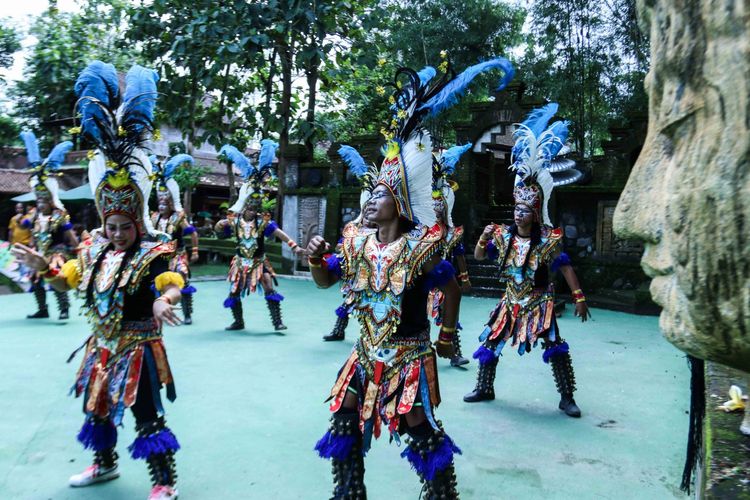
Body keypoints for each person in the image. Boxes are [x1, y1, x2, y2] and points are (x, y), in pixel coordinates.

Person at [309, 56, 514, 498]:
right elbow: (326, 281)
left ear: (399, 204)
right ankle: (349, 492)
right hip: (364, 354)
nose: (369, 202)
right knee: (344, 415)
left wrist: (445, 335)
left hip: (406, 356)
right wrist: (314, 262)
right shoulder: (354, 243)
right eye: (370, 195)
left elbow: (452, 287)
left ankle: (441, 491)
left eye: (379, 196)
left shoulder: (422, 252)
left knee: (414, 423)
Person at [14, 61, 183, 500]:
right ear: (104, 223)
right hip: (101, 347)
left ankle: (164, 483)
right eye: (111, 225)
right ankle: (104, 466)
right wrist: (43, 269)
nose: (117, 232)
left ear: (135, 223)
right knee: (98, 409)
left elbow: (172, 277)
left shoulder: (153, 250)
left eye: (125, 226)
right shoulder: (90, 250)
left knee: (147, 413)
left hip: (139, 347)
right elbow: (66, 281)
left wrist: (165, 299)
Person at [463, 103, 591, 419]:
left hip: (538, 303)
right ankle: (484, 387)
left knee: (555, 346)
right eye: (517, 210)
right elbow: (479, 257)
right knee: (491, 343)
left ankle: (567, 397)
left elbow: (565, 266)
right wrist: (480, 240)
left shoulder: (548, 239)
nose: (519, 214)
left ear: (535, 213)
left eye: (525, 211)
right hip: (509, 302)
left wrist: (579, 297)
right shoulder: (502, 236)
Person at [215, 140, 303, 331]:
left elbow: (279, 233)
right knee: (234, 291)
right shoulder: (234, 221)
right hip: (240, 263)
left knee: (269, 286)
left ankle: (277, 322)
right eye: (251, 201)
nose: (255, 205)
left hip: (258, 262)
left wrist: (294, 245)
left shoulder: (264, 222)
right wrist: (218, 226)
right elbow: (220, 235)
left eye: (257, 201)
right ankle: (238, 321)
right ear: (245, 202)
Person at [19, 130, 78, 320]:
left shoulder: (59, 216)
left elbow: (70, 236)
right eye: (38, 200)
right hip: (39, 252)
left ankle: (64, 309)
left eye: (44, 200)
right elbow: (24, 226)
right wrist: (23, 218)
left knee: (55, 278)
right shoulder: (34, 216)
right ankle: (42, 308)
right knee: (36, 281)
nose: (40, 203)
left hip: (56, 253)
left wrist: (79, 250)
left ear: (51, 200)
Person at [322, 144, 378, 342]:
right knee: (348, 301)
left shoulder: (385, 230)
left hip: (378, 277)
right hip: (356, 273)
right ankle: (338, 331)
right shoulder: (353, 228)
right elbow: (340, 247)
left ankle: (374, 337)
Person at [429, 143, 474, 367]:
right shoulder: (420, 232)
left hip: (444, 281)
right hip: (421, 280)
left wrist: (464, 277)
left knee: (450, 314)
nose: (436, 212)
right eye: (433, 208)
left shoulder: (450, 232)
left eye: (440, 209)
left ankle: (454, 353)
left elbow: (458, 254)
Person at [150, 154, 199, 324]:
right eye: (160, 202)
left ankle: (187, 314)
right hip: (158, 255)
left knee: (182, 278)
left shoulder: (179, 218)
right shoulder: (154, 218)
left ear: (171, 203)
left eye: (165, 203)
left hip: (177, 255)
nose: (162, 205)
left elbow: (192, 233)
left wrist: (194, 251)